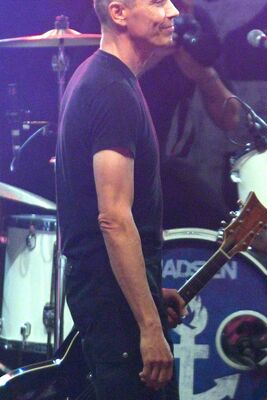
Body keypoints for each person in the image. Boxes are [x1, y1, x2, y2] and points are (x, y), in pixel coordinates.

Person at [56, 0, 187, 398]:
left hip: (110, 293)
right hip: (111, 302)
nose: (173, 11)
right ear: (118, 13)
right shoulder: (111, 90)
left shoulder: (106, 80)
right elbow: (113, 218)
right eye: (157, 2)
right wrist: (148, 325)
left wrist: (147, 290)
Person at [139, 0, 240, 230]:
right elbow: (98, 85)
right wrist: (153, 56)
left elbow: (230, 118)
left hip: (158, 164)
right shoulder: (126, 12)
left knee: (217, 224)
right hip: (113, 156)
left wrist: (204, 76)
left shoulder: (194, 20)